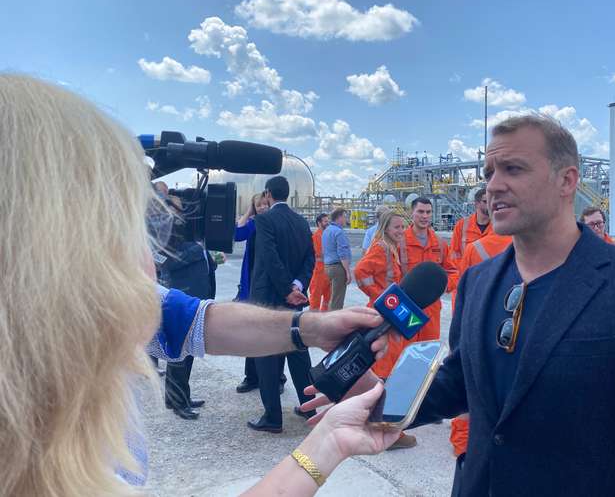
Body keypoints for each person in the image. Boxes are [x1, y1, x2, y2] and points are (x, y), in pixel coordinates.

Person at [0, 74, 400, 496]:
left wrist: (309, 327)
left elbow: (194, 319)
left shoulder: (75, 304)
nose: (149, 258)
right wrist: (326, 445)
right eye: (132, 226)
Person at [305, 113, 615, 496]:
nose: (492, 185)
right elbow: (460, 379)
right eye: (490, 172)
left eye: (513, 169)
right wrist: (375, 399)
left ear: (567, 181)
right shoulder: (478, 281)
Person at [248, 175, 316, 433]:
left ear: (268, 194)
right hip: (295, 300)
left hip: (269, 300)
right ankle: (309, 406)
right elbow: (310, 257)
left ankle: (272, 417)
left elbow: (269, 257)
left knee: (266, 356)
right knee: (298, 352)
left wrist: (286, 289)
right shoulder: (301, 221)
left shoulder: (264, 220)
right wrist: (297, 286)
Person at [448, 226, 512, 464]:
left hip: (477, 327)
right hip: (509, 330)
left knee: (467, 384)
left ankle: (464, 444)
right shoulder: (539, 249)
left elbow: (460, 286)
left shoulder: (474, 248)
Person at [354, 211, 417, 450]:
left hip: (388, 312)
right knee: (384, 372)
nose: (401, 231)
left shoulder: (390, 248)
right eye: (397, 227)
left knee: (385, 370)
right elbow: (361, 273)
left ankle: (376, 423)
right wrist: (381, 298)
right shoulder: (381, 248)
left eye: (403, 227)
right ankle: (383, 429)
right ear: (385, 228)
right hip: (385, 315)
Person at [158, 195, 216, 420]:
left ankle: (177, 397)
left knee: (187, 350)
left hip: (195, 296)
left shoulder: (190, 231)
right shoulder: (166, 228)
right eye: (182, 206)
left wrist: (208, 260)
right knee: (179, 352)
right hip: (180, 297)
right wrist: (197, 250)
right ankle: (178, 402)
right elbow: (163, 260)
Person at [234, 193, 286, 395]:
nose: (263, 207)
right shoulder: (254, 224)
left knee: (276, 332)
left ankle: (278, 378)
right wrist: (248, 212)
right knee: (252, 332)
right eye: (258, 205)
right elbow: (237, 234)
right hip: (252, 284)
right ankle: (252, 376)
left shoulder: (276, 224)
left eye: (265, 203)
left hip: (273, 285)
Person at [399, 197, 458, 341]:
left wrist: (441, 288)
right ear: (411, 213)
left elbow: (453, 272)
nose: (425, 216)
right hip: (405, 308)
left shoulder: (440, 244)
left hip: (431, 309)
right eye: (420, 211)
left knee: (427, 350)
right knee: (403, 352)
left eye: (428, 212)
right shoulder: (399, 242)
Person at [449, 188, 491, 265]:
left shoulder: (498, 227)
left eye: (491, 201)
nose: (490, 205)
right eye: (485, 202)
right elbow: (454, 254)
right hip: (467, 273)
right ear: (476, 204)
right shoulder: (462, 226)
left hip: (492, 274)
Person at [322, 208, 352, 311]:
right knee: (337, 300)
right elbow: (342, 253)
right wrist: (347, 272)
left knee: (333, 296)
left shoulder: (327, 230)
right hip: (338, 267)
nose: (346, 219)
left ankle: (329, 318)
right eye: (345, 216)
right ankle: (333, 322)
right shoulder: (339, 232)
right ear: (339, 217)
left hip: (327, 266)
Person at [308, 213, 332, 311]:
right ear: (319, 223)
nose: (327, 223)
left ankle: (324, 316)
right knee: (315, 297)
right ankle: (313, 320)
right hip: (319, 271)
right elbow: (320, 253)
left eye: (328, 221)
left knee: (328, 297)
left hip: (327, 270)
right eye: (325, 221)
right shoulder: (316, 236)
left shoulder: (327, 234)